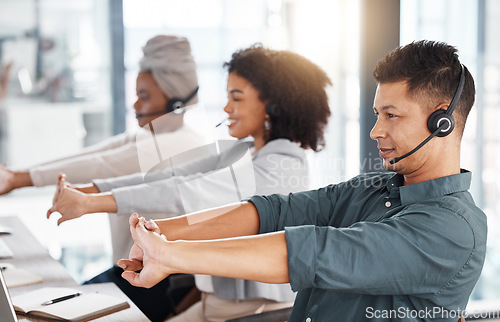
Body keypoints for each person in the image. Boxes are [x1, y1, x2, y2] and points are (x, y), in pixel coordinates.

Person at [118, 40, 487, 322]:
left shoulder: (453, 229)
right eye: (377, 114)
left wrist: (171, 256)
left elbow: (316, 252)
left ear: (443, 122)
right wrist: (162, 233)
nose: (376, 131)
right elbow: (277, 211)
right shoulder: (376, 188)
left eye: (391, 115)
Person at [47, 44, 332, 321]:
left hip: (249, 311)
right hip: (217, 303)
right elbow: (172, 176)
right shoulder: (245, 150)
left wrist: (92, 203)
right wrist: (87, 193)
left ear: (273, 106)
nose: (226, 107)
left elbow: (186, 192)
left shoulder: (282, 163)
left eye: (236, 97)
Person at [0, 35, 205, 194]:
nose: (135, 104)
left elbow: (102, 164)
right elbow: (99, 153)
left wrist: (18, 179)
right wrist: (17, 174)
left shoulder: (182, 145)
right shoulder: (154, 135)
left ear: (175, 104)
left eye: (144, 96)